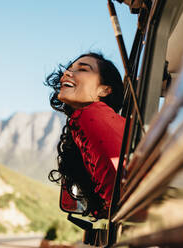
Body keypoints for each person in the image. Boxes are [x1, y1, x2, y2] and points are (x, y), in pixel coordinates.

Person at [45, 52, 125, 218]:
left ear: (104, 90)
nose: (66, 74)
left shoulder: (91, 116)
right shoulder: (86, 122)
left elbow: (121, 193)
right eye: (68, 70)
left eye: (82, 69)